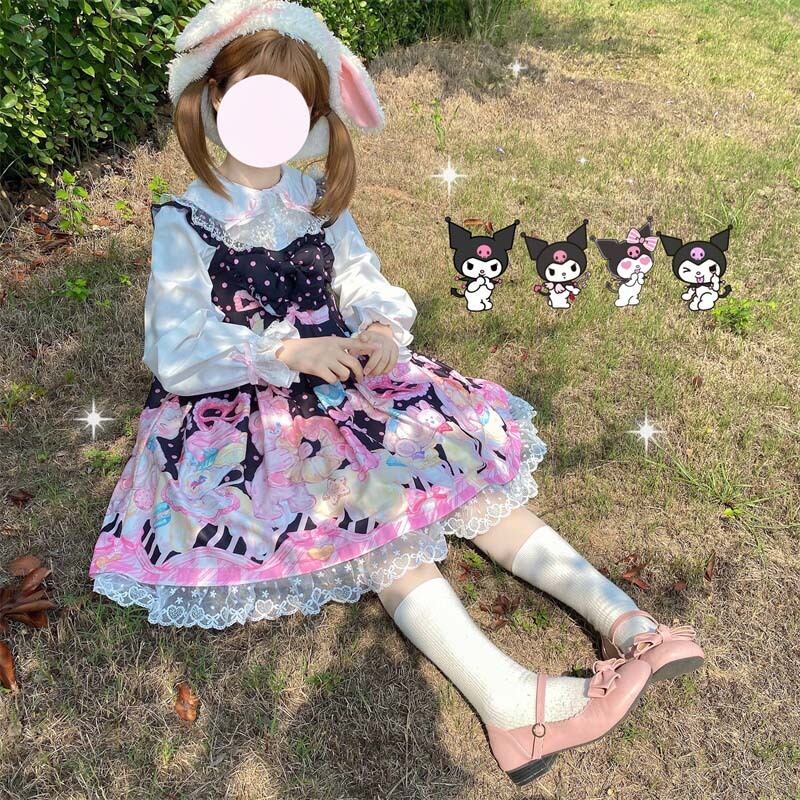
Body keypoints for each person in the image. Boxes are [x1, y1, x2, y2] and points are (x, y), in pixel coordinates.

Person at [88, 1, 704, 785]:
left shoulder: (312, 200)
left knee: (465, 475)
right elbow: (175, 348)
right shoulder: (187, 219)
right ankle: (508, 701)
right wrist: (286, 351)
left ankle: (627, 621)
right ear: (214, 99)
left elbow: (360, 277)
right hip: (249, 410)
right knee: (373, 520)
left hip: (352, 384)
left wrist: (379, 327)